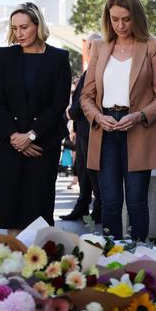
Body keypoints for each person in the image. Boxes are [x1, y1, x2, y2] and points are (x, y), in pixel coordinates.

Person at [81, 0, 156, 240]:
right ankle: (112, 259)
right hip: (105, 128)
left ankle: (139, 259)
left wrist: (140, 116)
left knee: (136, 202)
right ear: (108, 18)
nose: (120, 25)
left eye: (126, 19)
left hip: (139, 128)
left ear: (137, 17)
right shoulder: (99, 47)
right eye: (114, 19)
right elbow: (86, 96)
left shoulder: (153, 46)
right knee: (109, 202)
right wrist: (99, 117)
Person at [0, 2, 71, 236]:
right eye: (14, 28)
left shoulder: (58, 58)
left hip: (43, 144)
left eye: (24, 27)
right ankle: (12, 262)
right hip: (10, 143)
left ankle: (39, 265)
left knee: (38, 208)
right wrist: (15, 137)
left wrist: (32, 135)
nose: (19, 33)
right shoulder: (6, 56)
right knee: (11, 208)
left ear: (38, 25)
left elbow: (58, 104)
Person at [61, 33, 103, 223]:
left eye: (95, 44)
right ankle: (83, 206)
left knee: (93, 173)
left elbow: (87, 100)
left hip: (92, 129)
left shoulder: (99, 69)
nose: (91, 48)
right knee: (83, 172)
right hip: (83, 130)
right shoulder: (90, 69)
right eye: (89, 45)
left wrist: (70, 114)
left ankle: (97, 210)